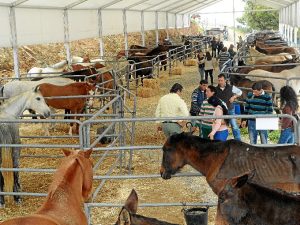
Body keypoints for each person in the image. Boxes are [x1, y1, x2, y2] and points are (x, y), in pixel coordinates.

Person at [215, 74, 242, 141]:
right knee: (219, 126)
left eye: (221, 80)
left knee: (234, 126)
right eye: (219, 80)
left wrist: (234, 97)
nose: (220, 82)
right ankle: (220, 141)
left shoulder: (231, 87)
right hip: (220, 111)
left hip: (230, 109)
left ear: (225, 80)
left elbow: (240, 92)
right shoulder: (215, 89)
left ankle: (238, 141)